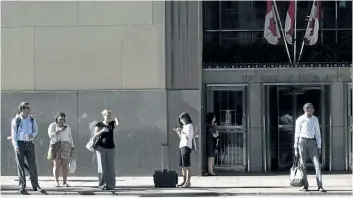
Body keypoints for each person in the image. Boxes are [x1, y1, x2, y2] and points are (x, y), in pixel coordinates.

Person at [11, 102, 47, 195]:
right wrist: (16, 146)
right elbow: (13, 135)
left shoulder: (31, 118)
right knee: (21, 166)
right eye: (27, 108)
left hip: (29, 143)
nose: (29, 109)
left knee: (32, 166)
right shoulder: (16, 120)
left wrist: (33, 135)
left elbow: (36, 130)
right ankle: (22, 187)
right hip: (20, 143)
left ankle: (36, 186)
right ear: (22, 109)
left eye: (29, 107)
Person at [294, 103, 326, 192]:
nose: (313, 110)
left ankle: (320, 186)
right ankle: (305, 185)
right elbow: (296, 134)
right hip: (302, 141)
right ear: (307, 110)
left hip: (312, 141)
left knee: (317, 163)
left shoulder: (315, 119)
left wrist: (319, 146)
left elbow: (318, 133)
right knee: (302, 164)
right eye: (312, 109)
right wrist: (295, 147)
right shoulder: (300, 119)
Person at [47, 112, 74, 187]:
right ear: (56, 118)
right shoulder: (52, 125)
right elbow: (50, 135)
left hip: (66, 145)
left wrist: (72, 145)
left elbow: (70, 136)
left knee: (65, 165)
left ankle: (65, 182)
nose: (62, 121)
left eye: (63, 119)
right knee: (56, 165)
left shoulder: (67, 126)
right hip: (56, 145)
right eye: (60, 119)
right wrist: (59, 131)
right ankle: (56, 181)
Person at [94, 109, 119, 190]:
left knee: (110, 167)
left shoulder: (112, 124)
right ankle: (102, 184)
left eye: (109, 115)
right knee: (102, 167)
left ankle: (111, 185)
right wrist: (102, 130)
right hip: (101, 148)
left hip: (111, 147)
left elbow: (117, 124)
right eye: (106, 115)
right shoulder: (99, 124)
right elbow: (95, 135)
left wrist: (115, 119)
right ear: (103, 115)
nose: (108, 116)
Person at [173, 112, 194, 188]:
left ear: (185, 118)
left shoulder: (189, 126)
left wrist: (182, 131)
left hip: (187, 146)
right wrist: (179, 132)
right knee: (182, 165)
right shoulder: (184, 126)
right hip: (182, 145)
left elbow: (188, 137)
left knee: (187, 165)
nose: (181, 121)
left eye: (181, 119)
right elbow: (182, 137)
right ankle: (184, 181)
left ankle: (188, 182)